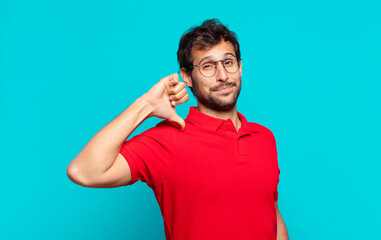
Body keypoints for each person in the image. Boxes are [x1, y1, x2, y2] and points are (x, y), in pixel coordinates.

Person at [67, 19, 289, 240]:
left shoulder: (264, 138)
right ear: (186, 76)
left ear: (240, 67)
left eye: (228, 62)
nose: (222, 75)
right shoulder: (166, 140)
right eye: (208, 66)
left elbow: (271, 212)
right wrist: (147, 105)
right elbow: (83, 171)